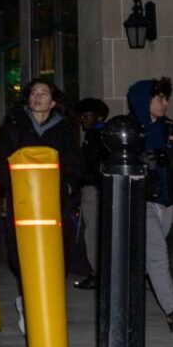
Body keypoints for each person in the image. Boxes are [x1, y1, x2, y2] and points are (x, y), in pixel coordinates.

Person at [115, 78, 173, 331]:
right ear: (145, 100)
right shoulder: (128, 131)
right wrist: (139, 162)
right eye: (160, 98)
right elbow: (110, 163)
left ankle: (127, 300)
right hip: (140, 202)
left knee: (146, 257)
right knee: (157, 256)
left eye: (166, 98)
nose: (165, 103)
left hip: (166, 203)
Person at [0, 76, 78, 334]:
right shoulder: (15, 125)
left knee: (57, 254)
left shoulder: (63, 129)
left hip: (53, 204)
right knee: (22, 255)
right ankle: (28, 302)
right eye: (33, 93)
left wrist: (68, 187)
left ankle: (43, 304)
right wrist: (12, 187)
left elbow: (73, 164)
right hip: (23, 202)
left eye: (43, 93)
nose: (37, 97)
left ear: (53, 101)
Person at [71, 97, 109, 290]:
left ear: (98, 117)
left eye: (87, 116)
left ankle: (98, 273)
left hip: (94, 188)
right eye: (81, 116)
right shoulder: (94, 136)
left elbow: (90, 165)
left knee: (92, 232)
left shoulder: (97, 136)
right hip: (94, 188)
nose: (83, 119)